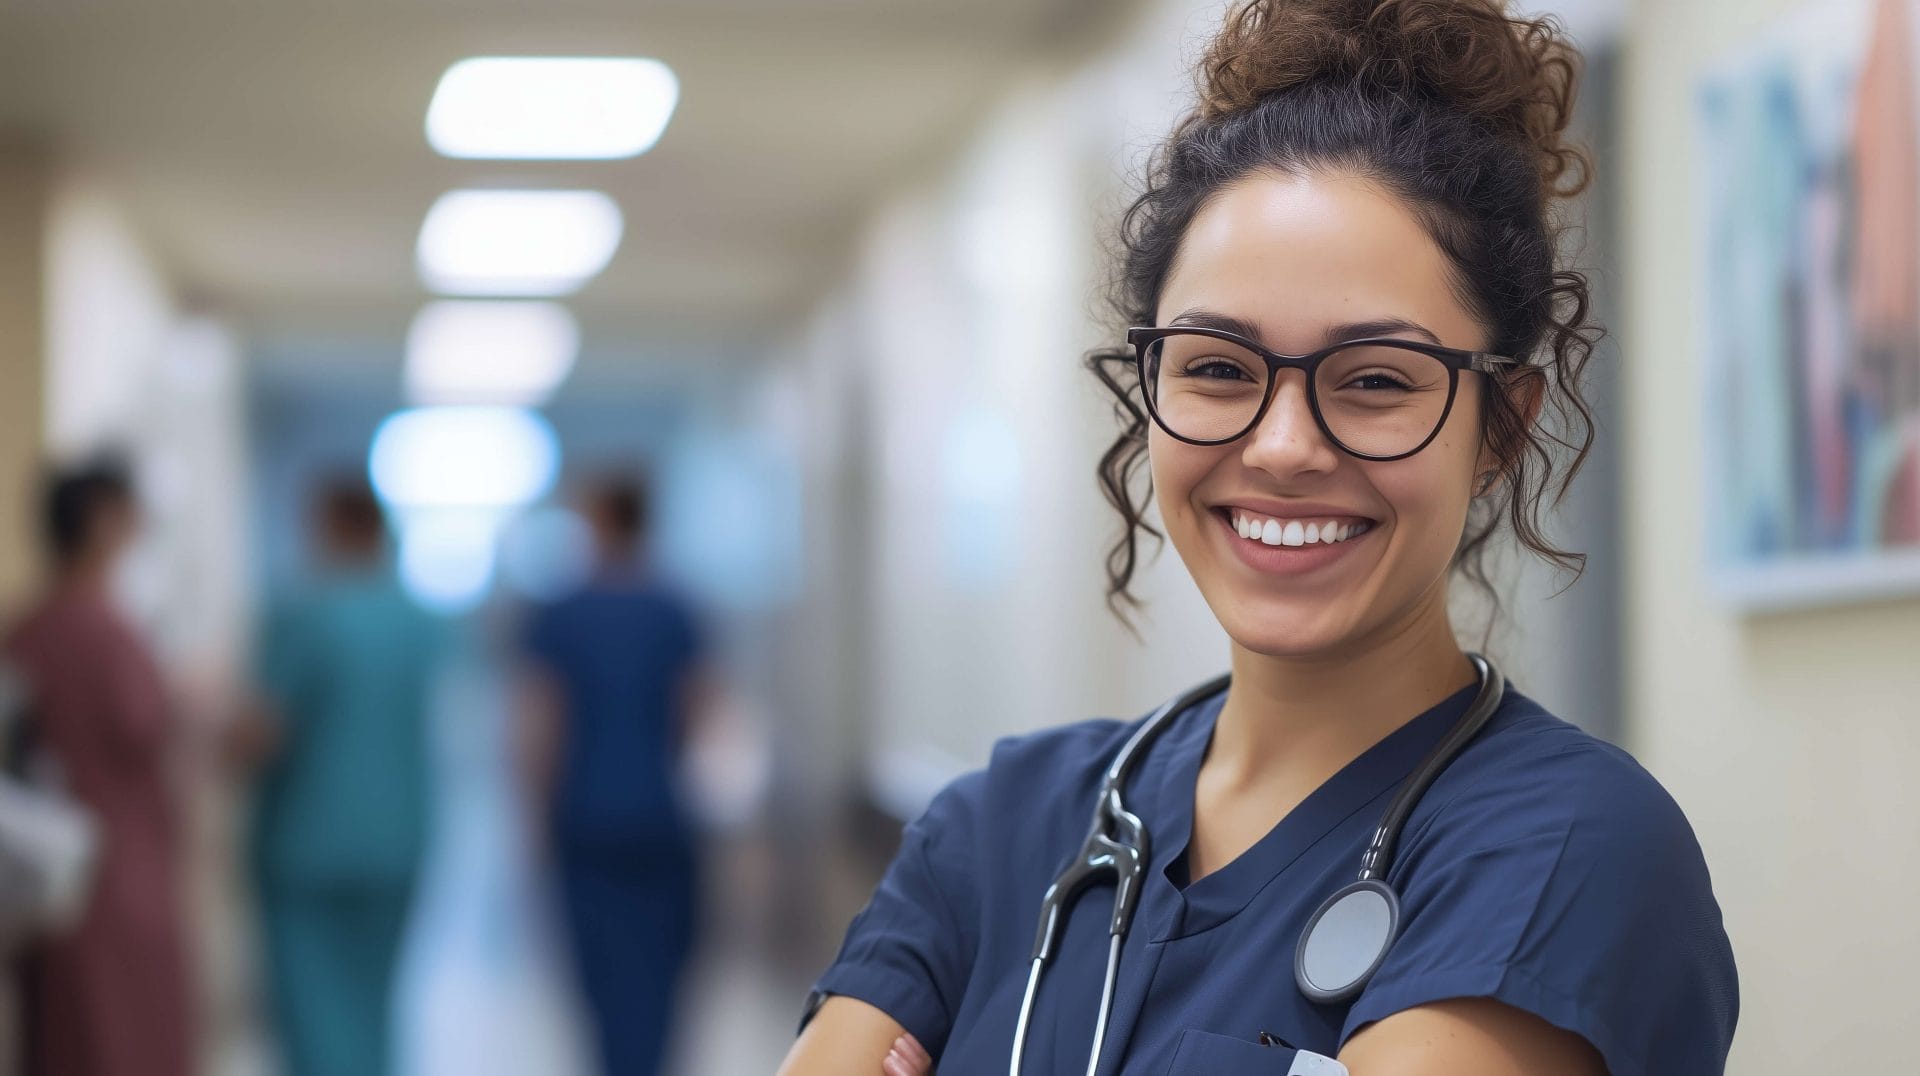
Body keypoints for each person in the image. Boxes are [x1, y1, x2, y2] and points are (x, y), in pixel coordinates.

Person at [782, 2, 1739, 1075]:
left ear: (1502, 427)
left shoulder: (1566, 846)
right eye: (1219, 368)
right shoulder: (1002, 825)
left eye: (1375, 379)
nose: (1283, 446)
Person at [242, 477, 443, 1076]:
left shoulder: (306, 614)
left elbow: (264, 732)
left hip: (308, 848)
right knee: (374, 1004)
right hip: (396, 842)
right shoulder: (419, 620)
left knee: (313, 1014)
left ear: (330, 526)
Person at [5, 460, 194, 1076]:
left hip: (44, 868)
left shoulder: (25, 628)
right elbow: (143, 725)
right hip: (116, 873)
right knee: (123, 1035)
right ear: (103, 523)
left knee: (63, 1032)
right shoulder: (105, 631)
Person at [517, 474, 710, 1076]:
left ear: (599, 521)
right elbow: (697, 713)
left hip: (586, 819)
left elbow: (542, 727)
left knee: (599, 974)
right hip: (661, 816)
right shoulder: (675, 609)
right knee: (660, 970)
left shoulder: (561, 613)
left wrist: (535, 821)